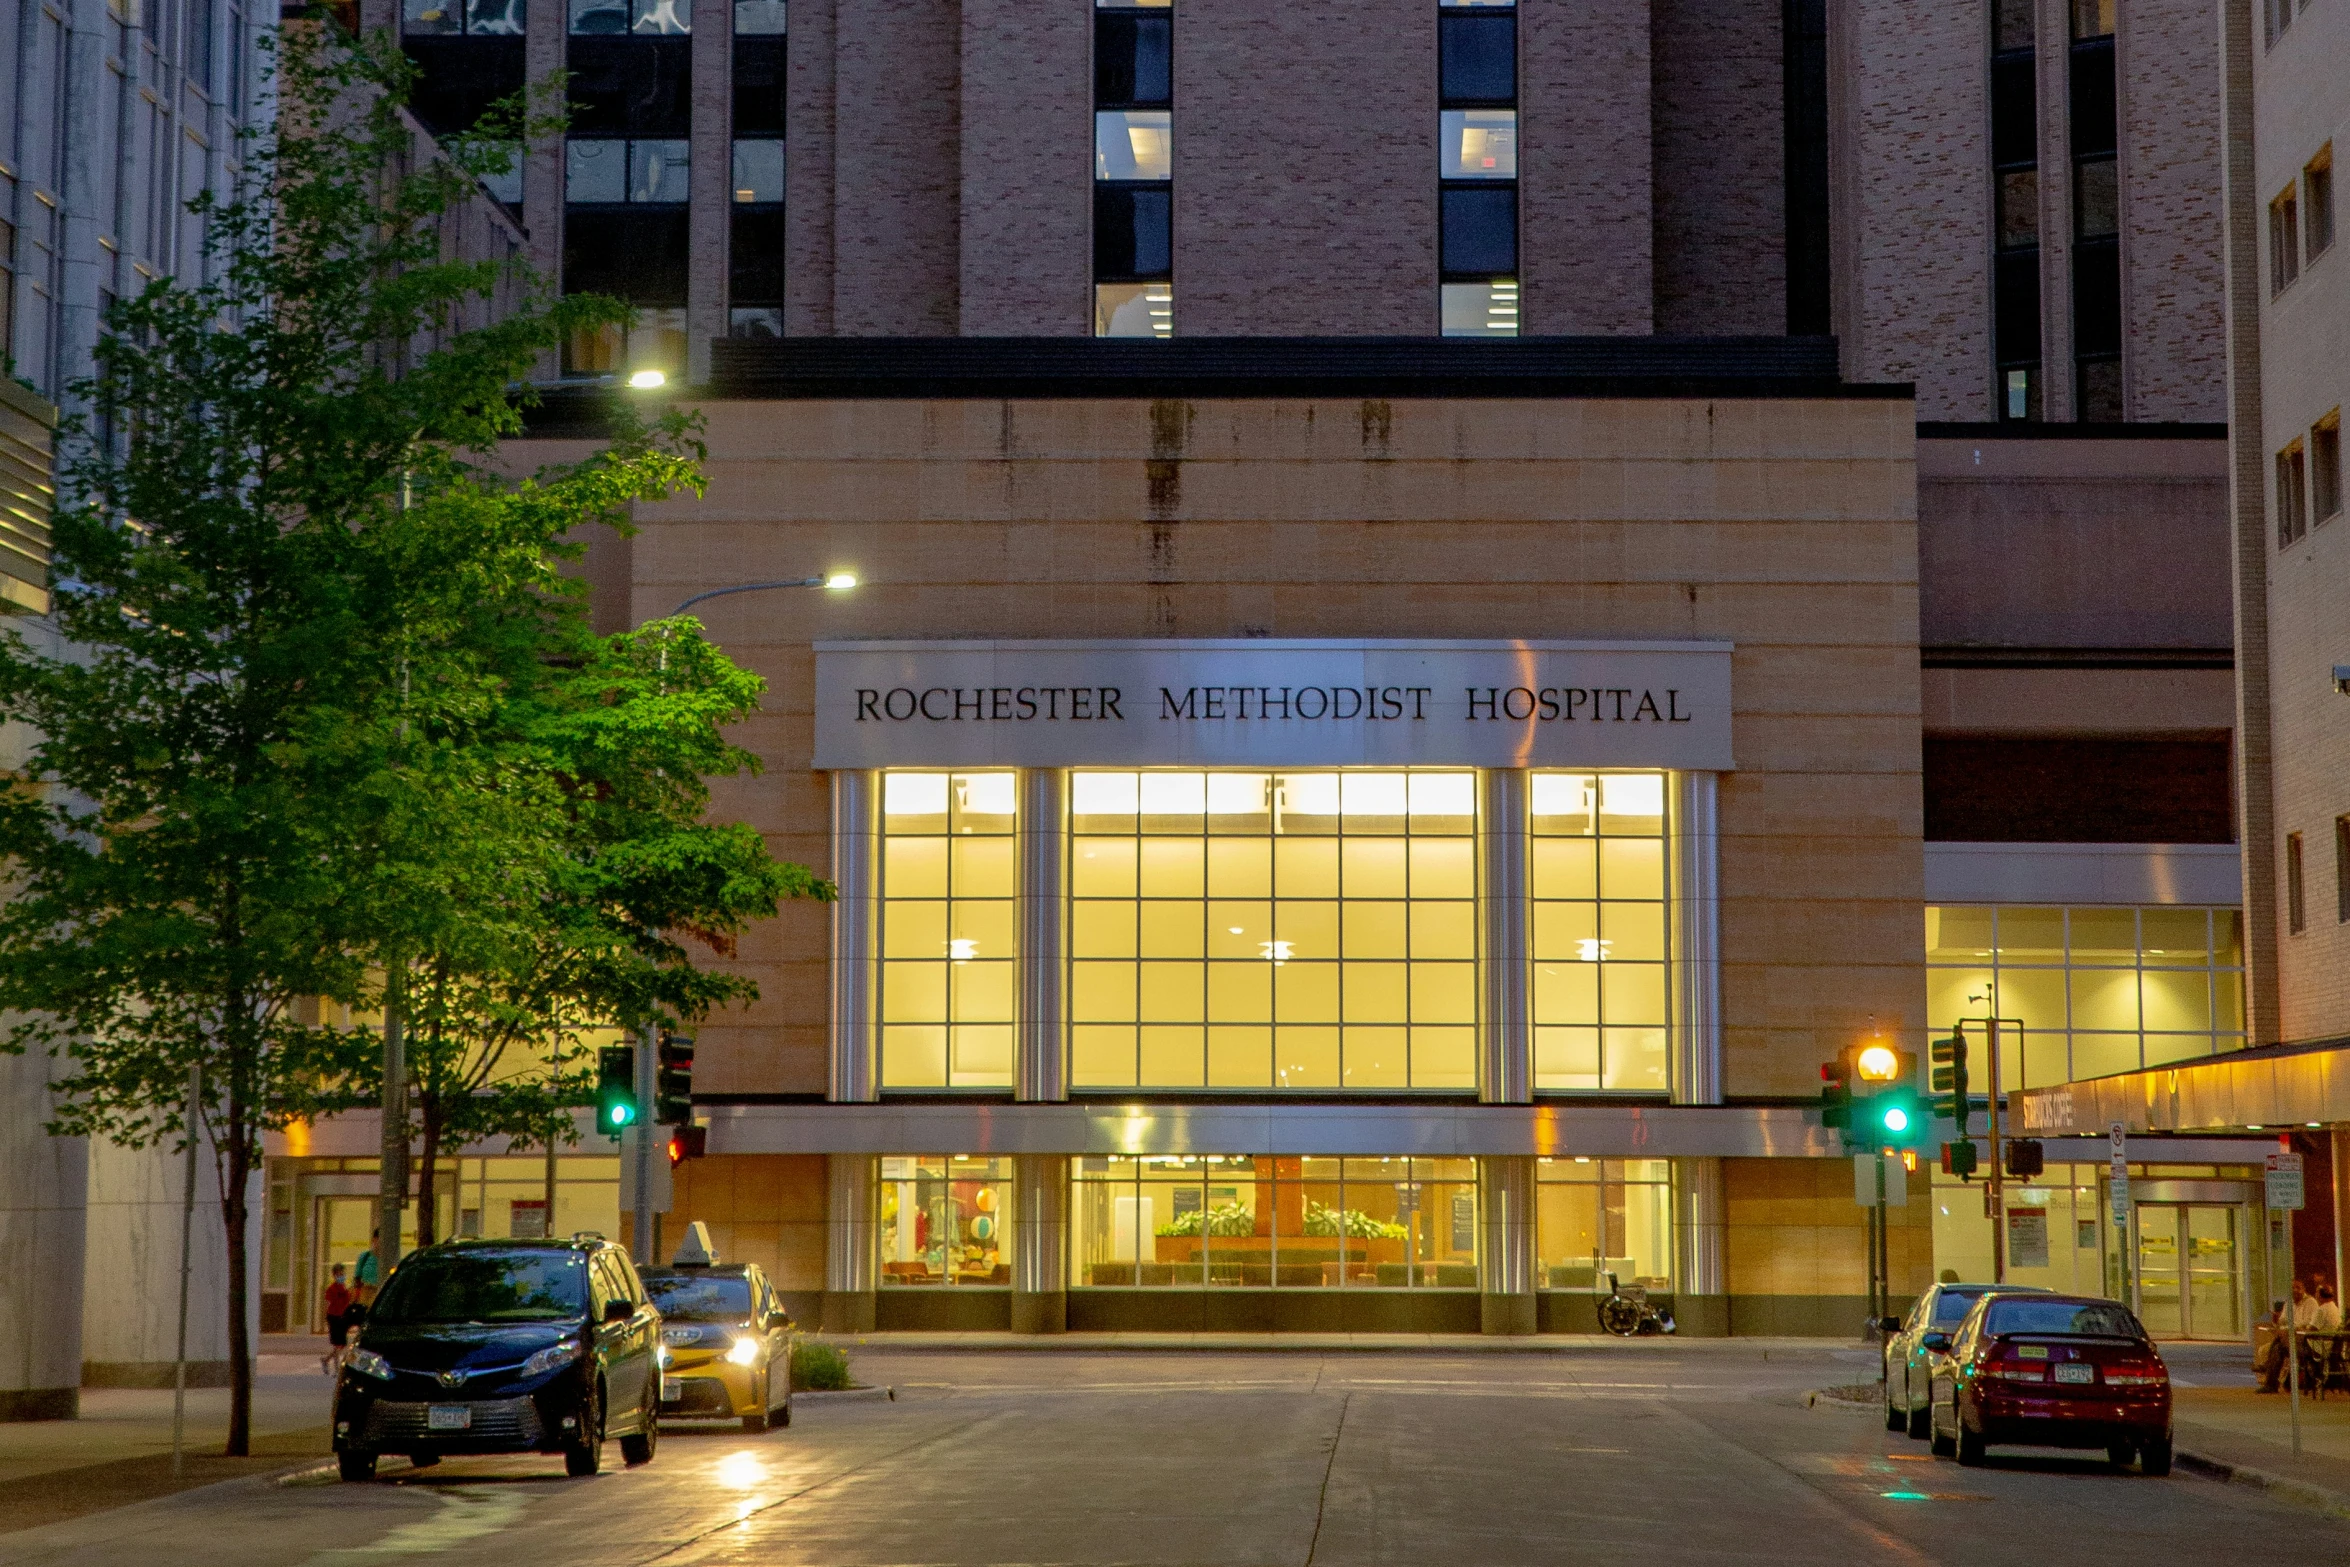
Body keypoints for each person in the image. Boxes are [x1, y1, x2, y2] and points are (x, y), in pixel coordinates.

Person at [2257, 1279, 2320, 1391]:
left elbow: (2309, 1323)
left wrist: (2291, 1328)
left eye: (2298, 1287)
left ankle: (2270, 1382)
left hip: (2305, 1341)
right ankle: (2270, 1382)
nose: (2295, 1290)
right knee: (2274, 1348)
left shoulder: (2311, 1303)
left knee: (2279, 1346)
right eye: (2292, 1288)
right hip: (2289, 1339)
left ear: (2303, 1289)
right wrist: (2277, 1321)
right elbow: (2282, 1321)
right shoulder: (2289, 1303)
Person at [320, 1264, 354, 1374]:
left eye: (342, 1274)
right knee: (337, 1344)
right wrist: (324, 1318)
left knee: (341, 1345)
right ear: (334, 1275)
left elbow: (348, 1302)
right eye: (339, 1274)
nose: (342, 1276)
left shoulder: (344, 1288)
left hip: (342, 1317)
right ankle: (336, 1369)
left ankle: (326, 1360)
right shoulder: (331, 1289)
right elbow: (327, 1304)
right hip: (333, 1317)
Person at [353, 1229, 384, 1307]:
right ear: (374, 1239)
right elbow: (357, 1279)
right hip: (365, 1295)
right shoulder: (365, 1257)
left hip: (383, 1295)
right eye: (379, 1239)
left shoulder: (391, 1259)